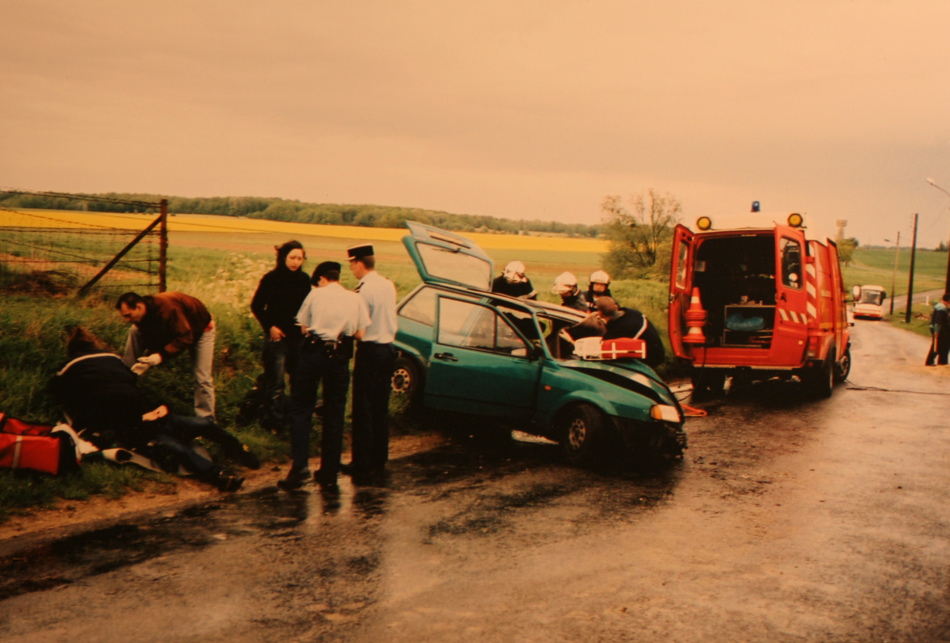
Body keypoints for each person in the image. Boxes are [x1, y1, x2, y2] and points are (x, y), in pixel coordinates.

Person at [50, 326, 258, 491]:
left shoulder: (74, 367)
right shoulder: (111, 361)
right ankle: (226, 466)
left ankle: (226, 466)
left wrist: (157, 409)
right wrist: (155, 410)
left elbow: (57, 390)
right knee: (194, 432)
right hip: (137, 422)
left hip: (142, 418)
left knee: (183, 439)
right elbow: (130, 390)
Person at [279, 261, 370, 492]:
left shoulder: (315, 295)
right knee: (335, 411)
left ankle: (299, 468)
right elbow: (360, 334)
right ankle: (328, 470)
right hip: (339, 355)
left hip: (313, 352)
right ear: (338, 278)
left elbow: (302, 327)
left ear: (322, 279)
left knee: (301, 409)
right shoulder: (355, 298)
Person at [116, 291, 216, 419]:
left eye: (129, 315)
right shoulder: (144, 315)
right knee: (134, 330)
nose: (127, 320)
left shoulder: (168, 310)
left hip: (201, 330)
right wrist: (147, 361)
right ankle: (123, 381)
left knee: (202, 377)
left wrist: (160, 356)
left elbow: (185, 337)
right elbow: (154, 338)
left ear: (139, 307)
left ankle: (207, 422)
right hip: (180, 331)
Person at [346, 243, 398, 484]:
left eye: (351, 264)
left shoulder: (364, 291)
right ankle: (379, 456)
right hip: (388, 348)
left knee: (363, 406)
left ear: (358, 263)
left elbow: (358, 328)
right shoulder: (387, 284)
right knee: (380, 405)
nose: (351, 269)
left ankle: (361, 462)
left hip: (369, 349)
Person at [250, 240, 312, 431]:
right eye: (292, 258)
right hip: (277, 338)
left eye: (299, 259)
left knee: (298, 381)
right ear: (283, 257)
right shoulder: (271, 278)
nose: (295, 262)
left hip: (298, 339)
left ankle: (294, 421)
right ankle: (273, 423)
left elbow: (309, 307)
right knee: (276, 382)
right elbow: (256, 306)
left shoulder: (304, 279)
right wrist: (270, 327)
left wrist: (306, 325)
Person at [595, 297, 666, 369]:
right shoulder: (631, 312)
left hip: (649, 358)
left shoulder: (619, 329)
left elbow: (604, 346)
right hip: (658, 351)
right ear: (616, 306)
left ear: (600, 313)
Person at [925, 292, 950, 366]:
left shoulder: (939, 306)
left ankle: (941, 362)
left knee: (941, 346)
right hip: (940, 330)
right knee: (939, 346)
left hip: (939, 330)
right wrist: (937, 331)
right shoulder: (942, 308)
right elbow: (938, 322)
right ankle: (932, 362)